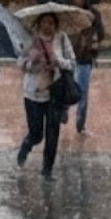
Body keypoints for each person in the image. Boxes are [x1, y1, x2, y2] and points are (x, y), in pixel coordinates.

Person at [16, 12, 76, 178]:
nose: (47, 26)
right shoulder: (30, 40)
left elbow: (72, 63)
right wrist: (31, 62)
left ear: (55, 25)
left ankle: (47, 170)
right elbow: (20, 63)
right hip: (33, 94)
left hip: (54, 94)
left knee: (52, 134)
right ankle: (25, 147)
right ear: (39, 23)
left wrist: (59, 61)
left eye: (51, 22)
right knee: (36, 134)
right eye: (44, 22)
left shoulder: (62, 39)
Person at [67, 0, 105, 135]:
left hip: (84, 58)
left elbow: (101, 34)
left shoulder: (93, 15)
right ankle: (63, 111)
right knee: (65, 87)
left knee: (82, 93)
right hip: (67, 57)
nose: (78, 0)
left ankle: (80, 124)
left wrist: (91, 36)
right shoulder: (67, 13)